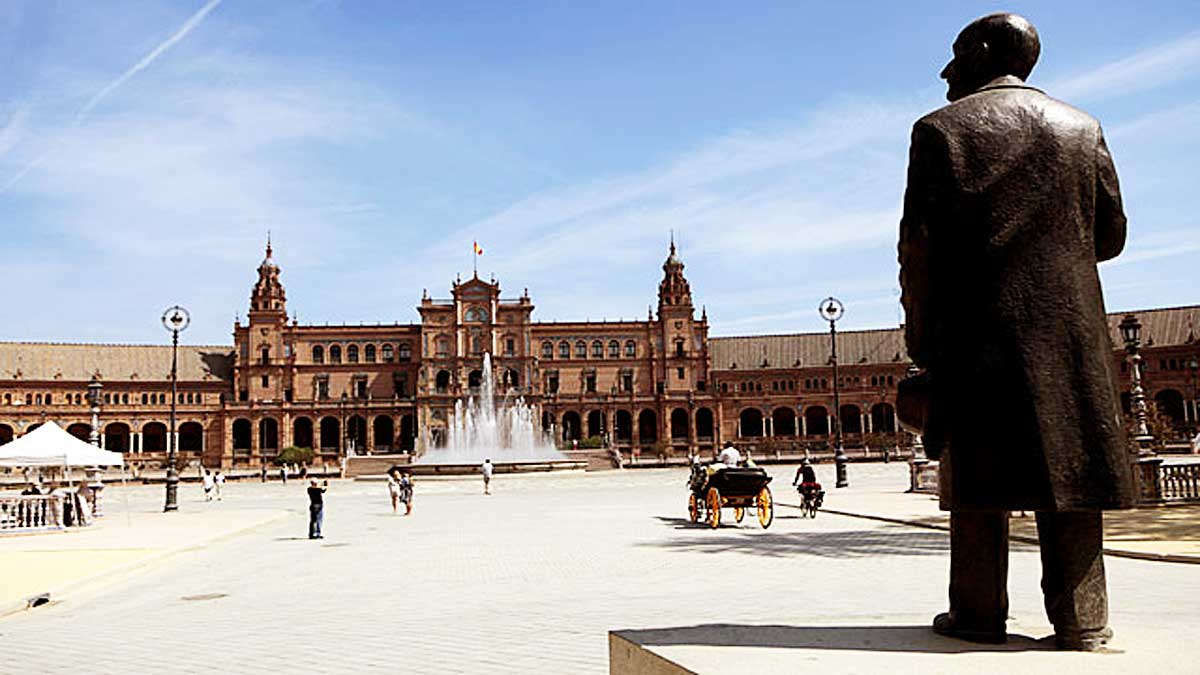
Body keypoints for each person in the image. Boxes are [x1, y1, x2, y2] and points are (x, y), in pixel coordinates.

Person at [898, 13, 1134, 651]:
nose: (946, 70)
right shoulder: (1083, 129)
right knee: (1072, 470)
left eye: (953, 55)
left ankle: (977, 613)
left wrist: (920, 339)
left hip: (976, 330)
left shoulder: (939, 130)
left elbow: (920, 250)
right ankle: (1083, 620)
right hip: (1070, 329)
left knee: (978, 470)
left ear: (980, 51)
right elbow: (1110, 236)